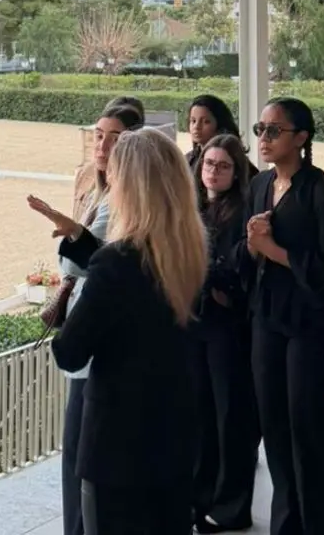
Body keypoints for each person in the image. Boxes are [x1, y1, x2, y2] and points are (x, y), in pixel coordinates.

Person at [36, 128, 208, 535]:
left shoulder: (116, 261)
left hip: (117, 445)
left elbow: (70, 352)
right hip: (175, 430)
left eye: (113, 172)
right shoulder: (191, 249)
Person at [31, 102, 142, 535]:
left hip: (97, 340)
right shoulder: (96, 189)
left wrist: (76, 234)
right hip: (88, 329)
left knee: (82, 454)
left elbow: (108, 265)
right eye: (98, 135)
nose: (102, 145)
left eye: (115, 138)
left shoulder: (127, 201)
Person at [245, 97, 324, 535]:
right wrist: (252, 246)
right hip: (266, 320)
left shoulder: (321, 192)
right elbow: (246, 252)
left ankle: (317, 525)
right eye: (261, 129)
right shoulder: (259, 185)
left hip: (308, 325)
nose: (264, 139)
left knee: (308, 429)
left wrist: (274, 251)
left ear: (301, 138)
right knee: (273, 428)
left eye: (275, 131)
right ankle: (285, 526)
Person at [193, 134, 259, 534]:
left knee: (230, 416)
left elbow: (240, 270)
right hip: (197, 322)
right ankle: (201, 497)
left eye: (222, 166)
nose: (213, 172)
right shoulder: (195, 207)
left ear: (236, 173)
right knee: (201, 414)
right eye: (208, 164)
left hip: (228, 326)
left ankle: (232, 505)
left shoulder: (241, 211)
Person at [187, 94, 242, 174]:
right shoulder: (187, 160)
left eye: (206, 122)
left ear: (220, 124)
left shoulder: (237, 161)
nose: (196, 127)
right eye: (193, 121)